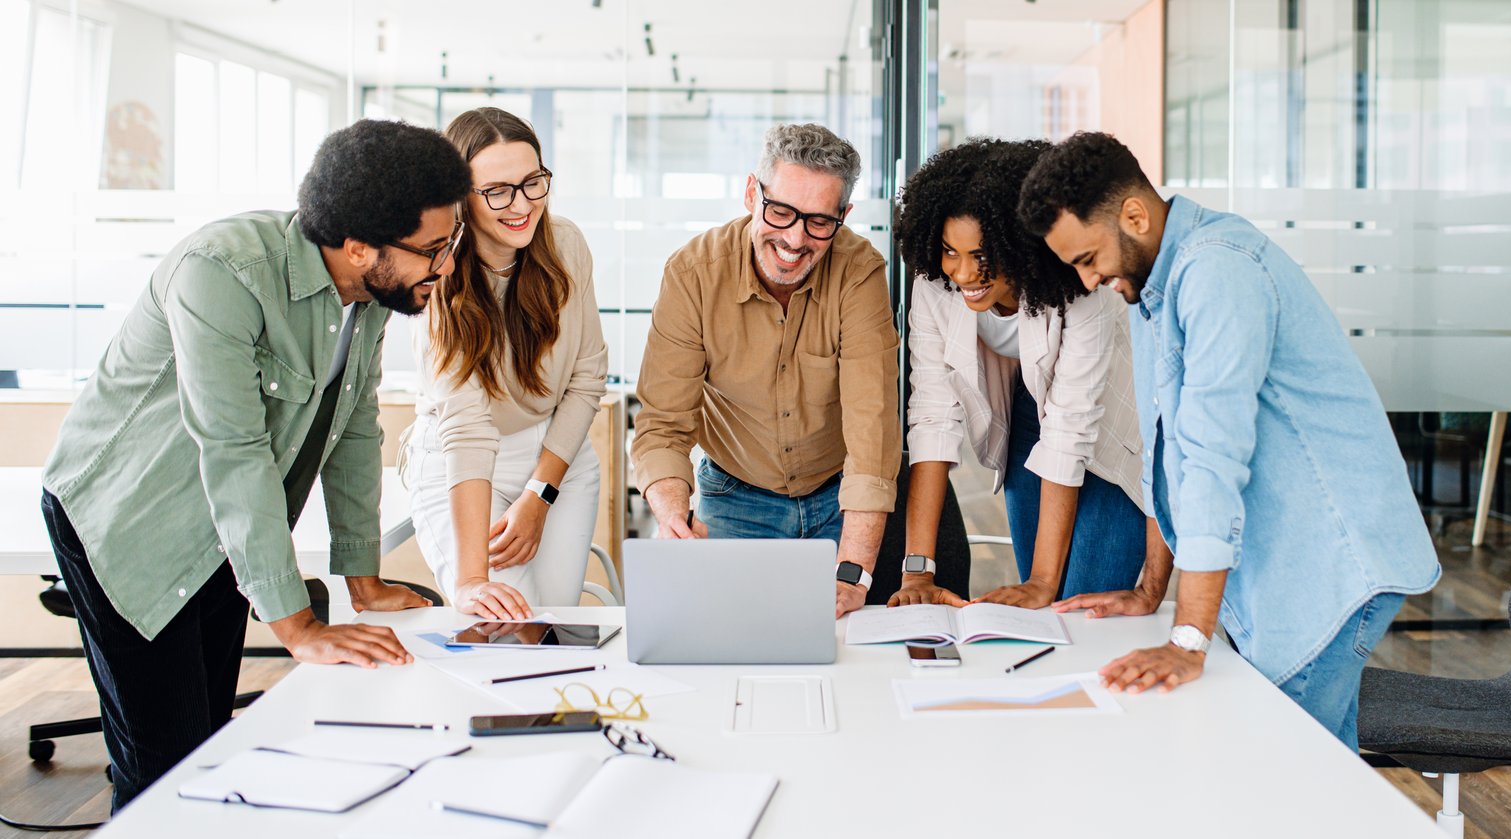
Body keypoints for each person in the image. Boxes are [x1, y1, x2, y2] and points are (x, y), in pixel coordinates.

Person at [38, 119, 470, 807]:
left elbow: (354, 426)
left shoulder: (374, 294)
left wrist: (362, 580)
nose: (446, 265)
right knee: (162, 772)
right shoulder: (222, 272)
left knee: (210, 749)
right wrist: (299, 628)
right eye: (433, 248)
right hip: (128, 521)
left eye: (452, 242)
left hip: (223, 529)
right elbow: (233, 449)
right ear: (359, 247)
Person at [1020, 132, 1441, 750]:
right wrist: (1150, 590)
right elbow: (1170, 452)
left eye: (1088, 258)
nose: (1088, 280)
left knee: (1280, 776)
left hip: (1328, 568)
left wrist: (1187, 639)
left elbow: (1214, 459)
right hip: (1280, 570)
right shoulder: (1151, 288)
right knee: (1304, 785)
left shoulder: (1218, 269)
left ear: (1134, 215)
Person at [631, 123, 900, 619]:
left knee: (841, 651)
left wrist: (853, 573)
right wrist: (672, 515)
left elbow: (873, 431)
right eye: (780, 212)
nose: (795, 240)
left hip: (838, 497)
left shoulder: (859, 272)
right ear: (752, 193)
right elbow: (662, 425)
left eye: (819, 222)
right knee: (723, 638)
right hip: (733, 495)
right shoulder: (692, 275)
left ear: (844, 216)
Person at [890, 138, 1152, 609]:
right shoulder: (936, 284)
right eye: (951, 251)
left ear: (1021, 245)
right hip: (1029, 415)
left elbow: (1072, 427)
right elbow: (932, 416)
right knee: (1041, 600)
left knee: (1079, 604)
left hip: (1110, 431)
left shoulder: (1080, 286)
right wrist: (917, 571)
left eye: (983, 256)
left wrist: (1044, 582)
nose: (964, 274)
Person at [404, 107, 608, 621]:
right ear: (459, 199)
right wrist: (472, 581)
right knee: (506, 627)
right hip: (467, 463)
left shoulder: (565, 245)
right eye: (497, 191)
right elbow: (468, 429)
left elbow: (586, 380)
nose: (521, 206)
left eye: (532, 182)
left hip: (556, 458)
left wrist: (540, 493)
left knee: (554, 628)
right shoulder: (439, 275)